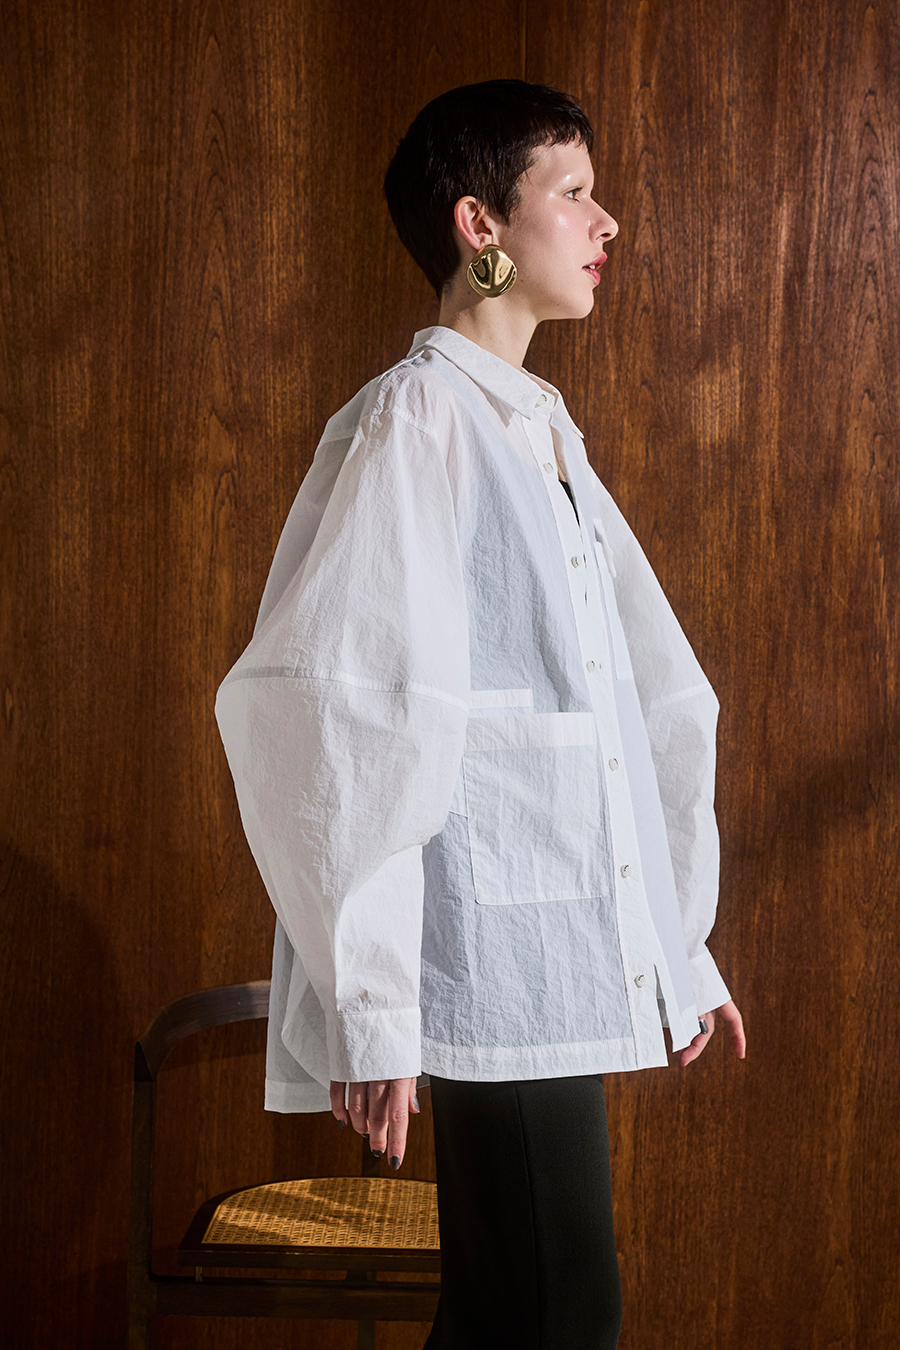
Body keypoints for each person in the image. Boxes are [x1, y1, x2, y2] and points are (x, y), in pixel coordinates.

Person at [215, 78, 746, 1350]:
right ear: (481, 224)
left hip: (544, 948)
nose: (607, 223)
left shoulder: (537, 431)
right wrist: (374, 1003)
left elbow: (640, 702)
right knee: (554, 1311)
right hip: (487, 954)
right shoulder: (422, 421)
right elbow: (343, 711)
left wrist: (677, 942)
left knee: (524, 1310)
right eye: (574, 192)